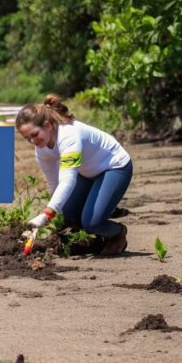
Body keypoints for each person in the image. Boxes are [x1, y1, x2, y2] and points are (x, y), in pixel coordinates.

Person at [16, 94, 133, 255]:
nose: (33, 141)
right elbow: (54, 183)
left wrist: (47, 214)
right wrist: (55, 216)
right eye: (27, 138)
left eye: (35, 134)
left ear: (48, 125)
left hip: (114, 167)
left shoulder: (68, 135)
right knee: (66, 217)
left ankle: (118, 232)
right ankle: (101, 210)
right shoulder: (41, 150)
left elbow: (68, 180)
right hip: (86, 173)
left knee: (91, 223)